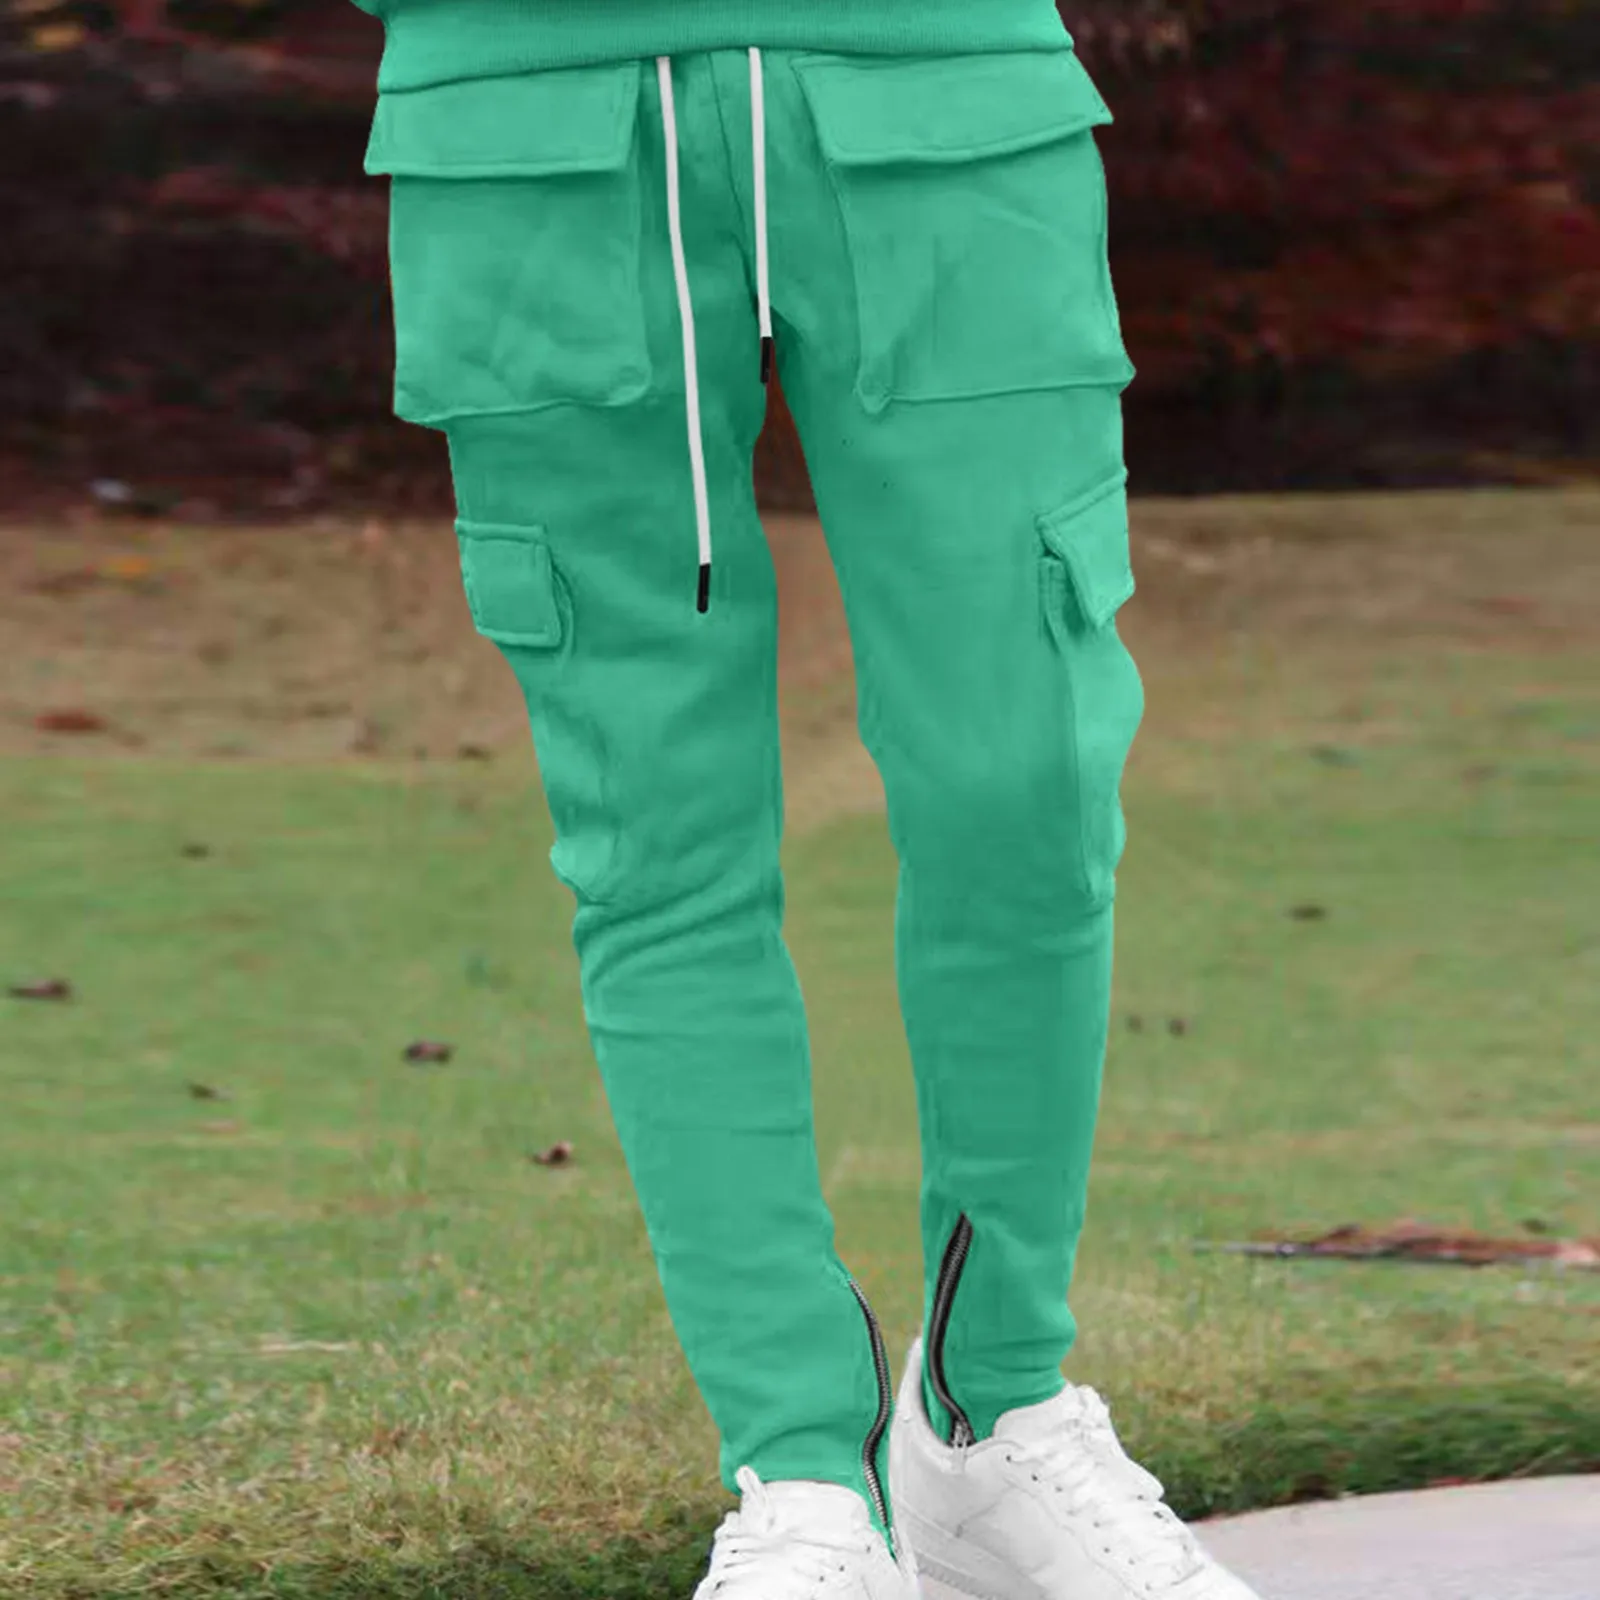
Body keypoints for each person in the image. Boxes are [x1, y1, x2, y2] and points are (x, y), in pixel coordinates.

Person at [354, 2, 1263, 1595]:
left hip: (944, 85)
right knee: (655, 838)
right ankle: (800, 1480)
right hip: (527, 119)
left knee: (1028, 788)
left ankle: (996, 1417)